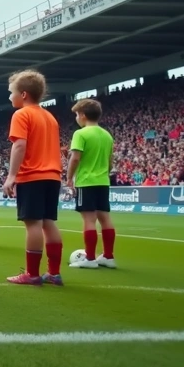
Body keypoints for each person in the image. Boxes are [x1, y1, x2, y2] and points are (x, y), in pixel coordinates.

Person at [3, 70, 64, 286]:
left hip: (32, 175)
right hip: (52, 175)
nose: (10, 96)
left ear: (24, 94)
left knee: (33, 224)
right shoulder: (49, 117)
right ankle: (54, 273)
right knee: (49, 222)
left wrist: (11, 176)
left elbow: (19, 145)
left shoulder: (21, 115)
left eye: (12, 92)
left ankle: (32, 273)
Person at [67, 98, 118, 269]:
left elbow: (75, 158)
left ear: (82, 115)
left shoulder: (80, 134)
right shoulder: (107, 135)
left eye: (76, 114)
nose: (76, 118)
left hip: (86, 181)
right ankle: (108, 257)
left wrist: (69, 178)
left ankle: (89, 258)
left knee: (89, 220)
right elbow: (110, 162)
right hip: (103, 181)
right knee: (105, 218)